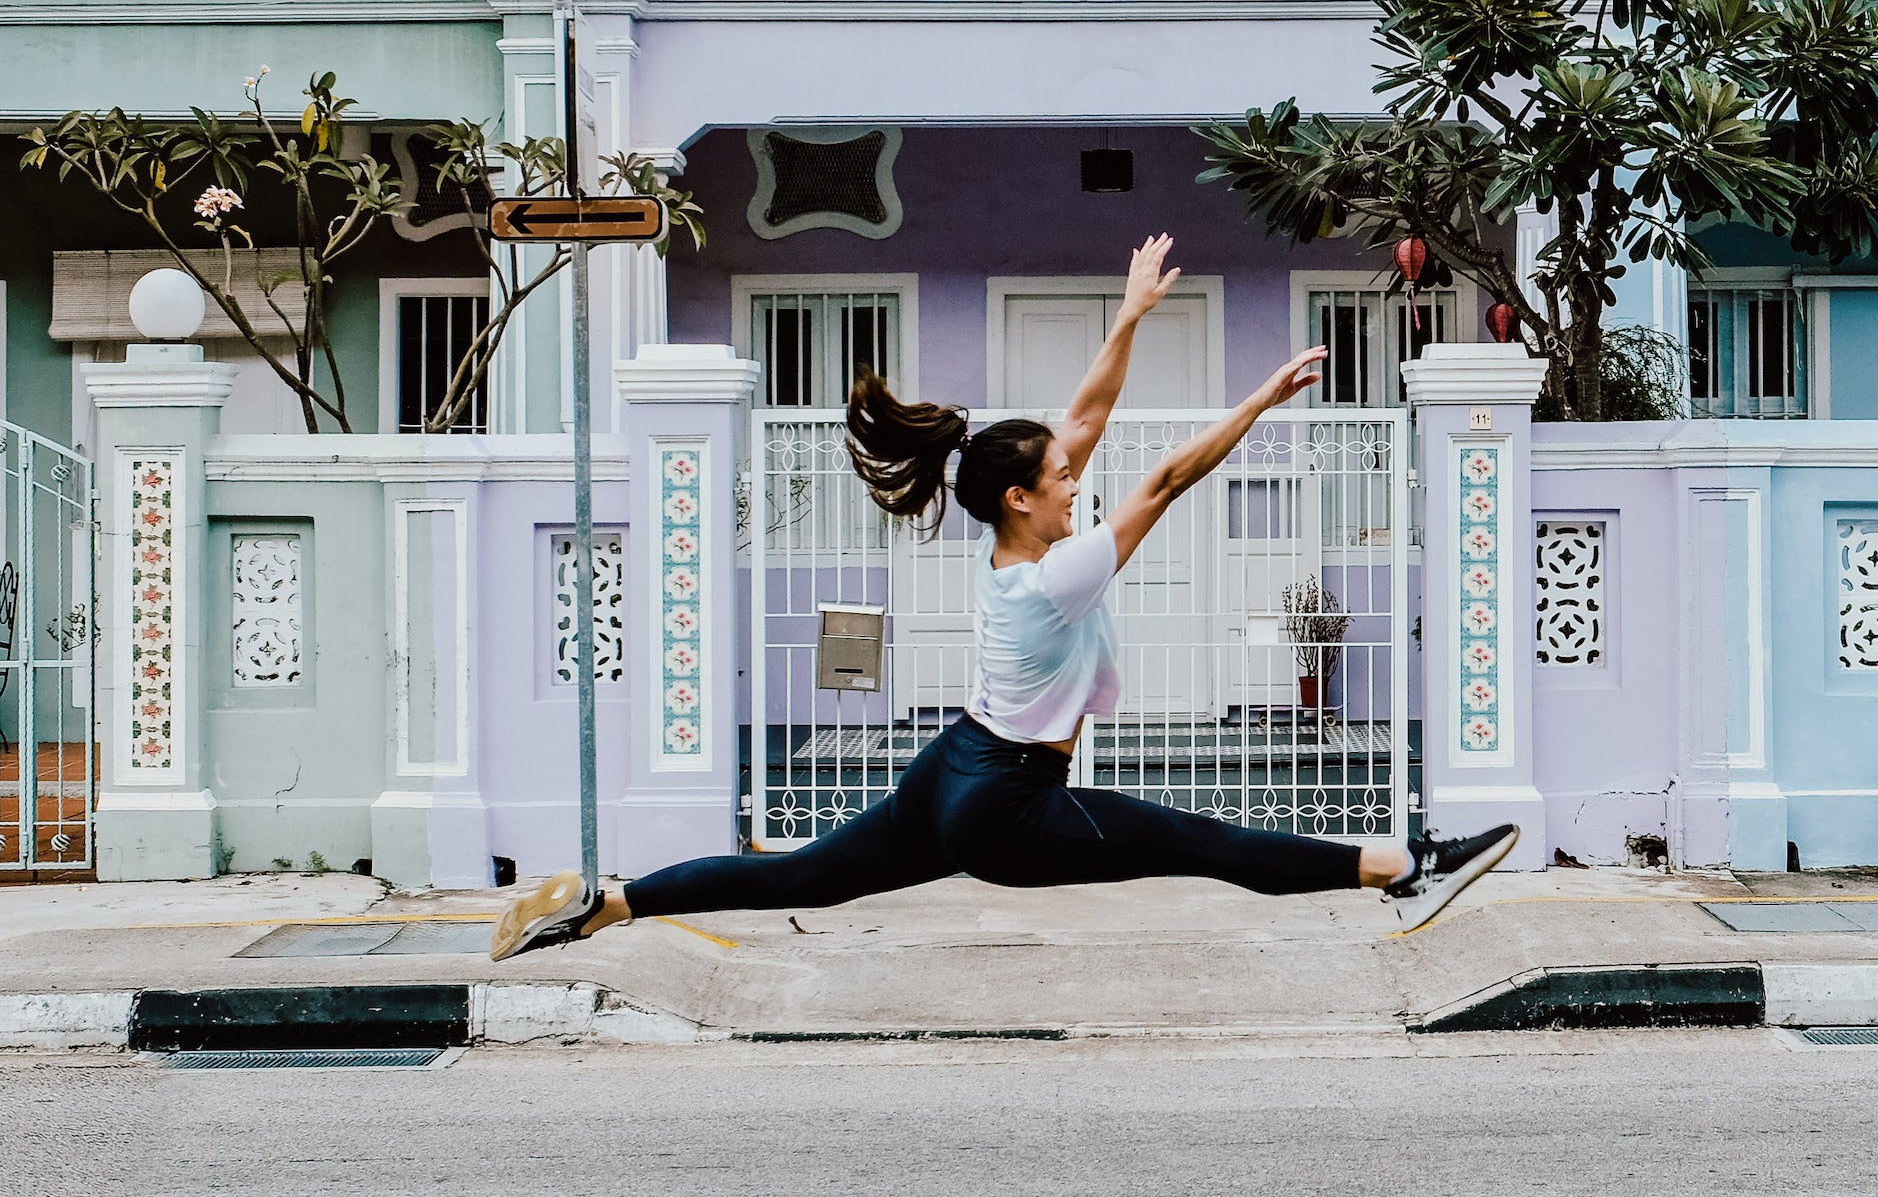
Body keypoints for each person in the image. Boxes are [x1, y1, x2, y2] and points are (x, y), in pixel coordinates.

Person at [492, 235, 1514, 960]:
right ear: (1021, 497)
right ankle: (1405, 866)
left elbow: (1085, 411)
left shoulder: (1018, 551)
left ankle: (596, 904)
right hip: (1003, 804)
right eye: (1061, 478)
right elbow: (1163, 481)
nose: (1078, 478)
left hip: (954, 766)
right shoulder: (1053, 576)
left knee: (796, 876)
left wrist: (1126, 316)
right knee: (1200, 841)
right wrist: (1260, 395)